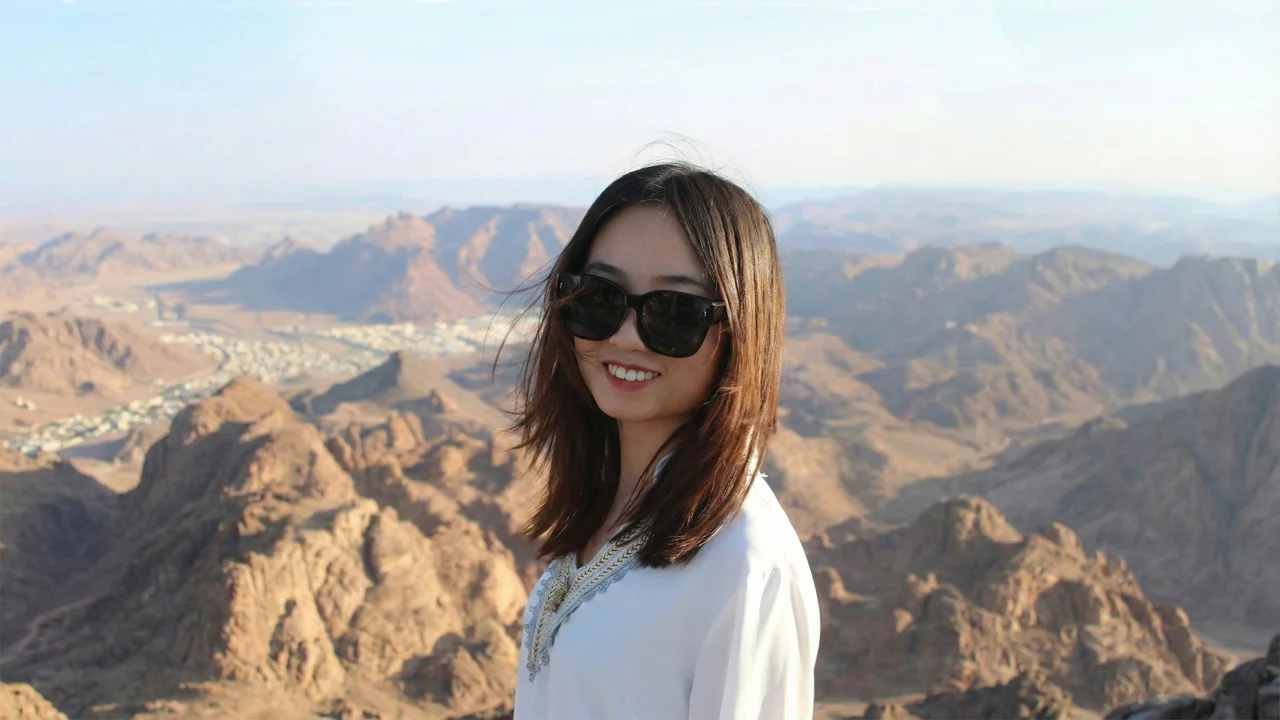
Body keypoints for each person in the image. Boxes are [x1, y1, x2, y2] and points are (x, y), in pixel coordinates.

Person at [502, 161, 820, 720]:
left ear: (738, 332)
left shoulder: (745, 566)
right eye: (600, 297)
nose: (626, 337)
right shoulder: (613, 501)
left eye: (674, 312)